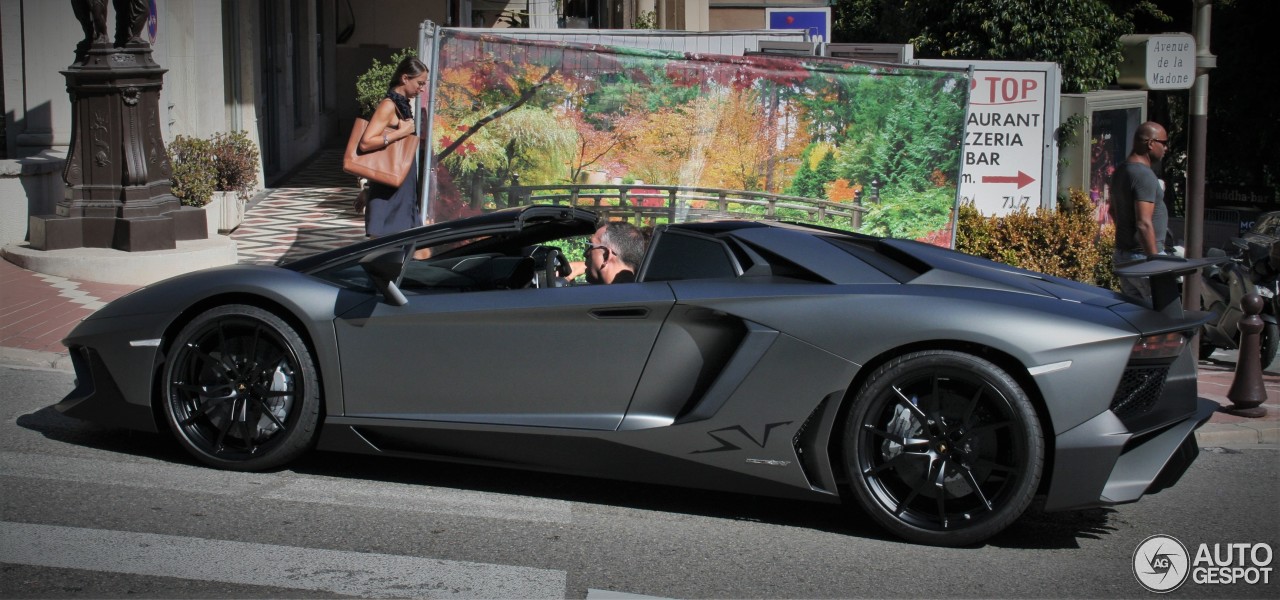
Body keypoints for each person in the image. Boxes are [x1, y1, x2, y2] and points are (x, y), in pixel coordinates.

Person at [359, 56, 429, 237]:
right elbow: (366, 142)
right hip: (389, 190)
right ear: (405, 78)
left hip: (400, 186)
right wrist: (400, 132)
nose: (422, 88)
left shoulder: (402, 104)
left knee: (407, 241)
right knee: (389, 246)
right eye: (420, 83)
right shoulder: (388, 105)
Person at [1109, 121, 1170, 306]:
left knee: (1138, 317)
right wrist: (1156, 262)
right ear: (1151, 143)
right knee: (1164, 316)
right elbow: (1144, 223)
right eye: (1163, 142)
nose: (1166, 147)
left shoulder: (1121, 170)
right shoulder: (1143, 175)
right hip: (1143, 259)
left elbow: (1113, 211)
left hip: (1124, 256)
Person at [582, 221, 646, 284]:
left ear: (606, 255)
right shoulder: (642, 291)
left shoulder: (605, 294)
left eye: (590, 246)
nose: (585, 254)